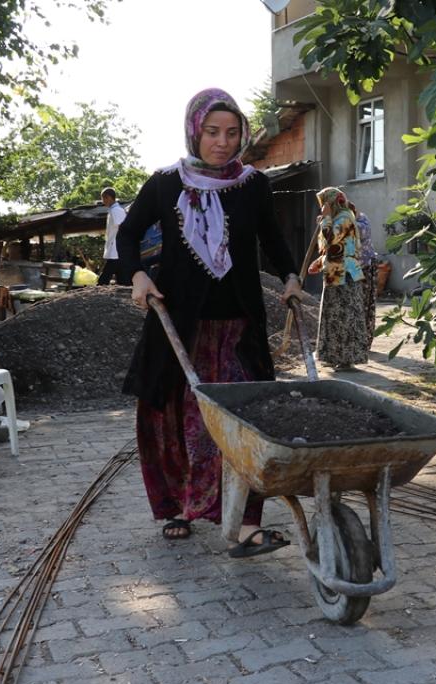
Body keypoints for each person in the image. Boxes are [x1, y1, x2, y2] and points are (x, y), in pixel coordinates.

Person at [116, 88, 304, 556]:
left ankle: (243, 523)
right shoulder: (164, 184)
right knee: (178, 419)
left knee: (244, 422)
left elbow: (272, 239)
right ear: (194, 132)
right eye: (212, 132)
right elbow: (128, 234)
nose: (222, 142)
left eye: (232, 132)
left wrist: (292, 276)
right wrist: (138, 275)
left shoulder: (253, 185)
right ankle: (179, 507)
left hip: (239, 326)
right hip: (179, 325)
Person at [307, 187, 369, 369]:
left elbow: (333, 241)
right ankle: (333, 356)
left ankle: (345, 359)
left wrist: (325, 219)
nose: (322, 208)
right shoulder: (337, 219)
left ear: (331, 202)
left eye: (324, 203)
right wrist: (320, 261)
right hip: (335, 272)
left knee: (344, 316)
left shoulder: (343, 219)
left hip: (345, 275)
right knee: (333, 315)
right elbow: (335, 248)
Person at [355, 208, 377, 353]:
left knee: (364, 304)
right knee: (360, 304)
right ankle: (360, 342)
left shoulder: (361, 221)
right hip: (356, 268)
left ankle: (363, 342)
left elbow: (358, 231)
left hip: (364, 268)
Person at [97, 187, 131, 286]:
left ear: (108, 197)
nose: (103, 201)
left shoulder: (116, 210)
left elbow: (122, 227)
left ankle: (99, 289)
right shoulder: (113, 210)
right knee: (122, 277)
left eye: (103, 198)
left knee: (106, 275)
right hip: (115, 247)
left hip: (116, 247)